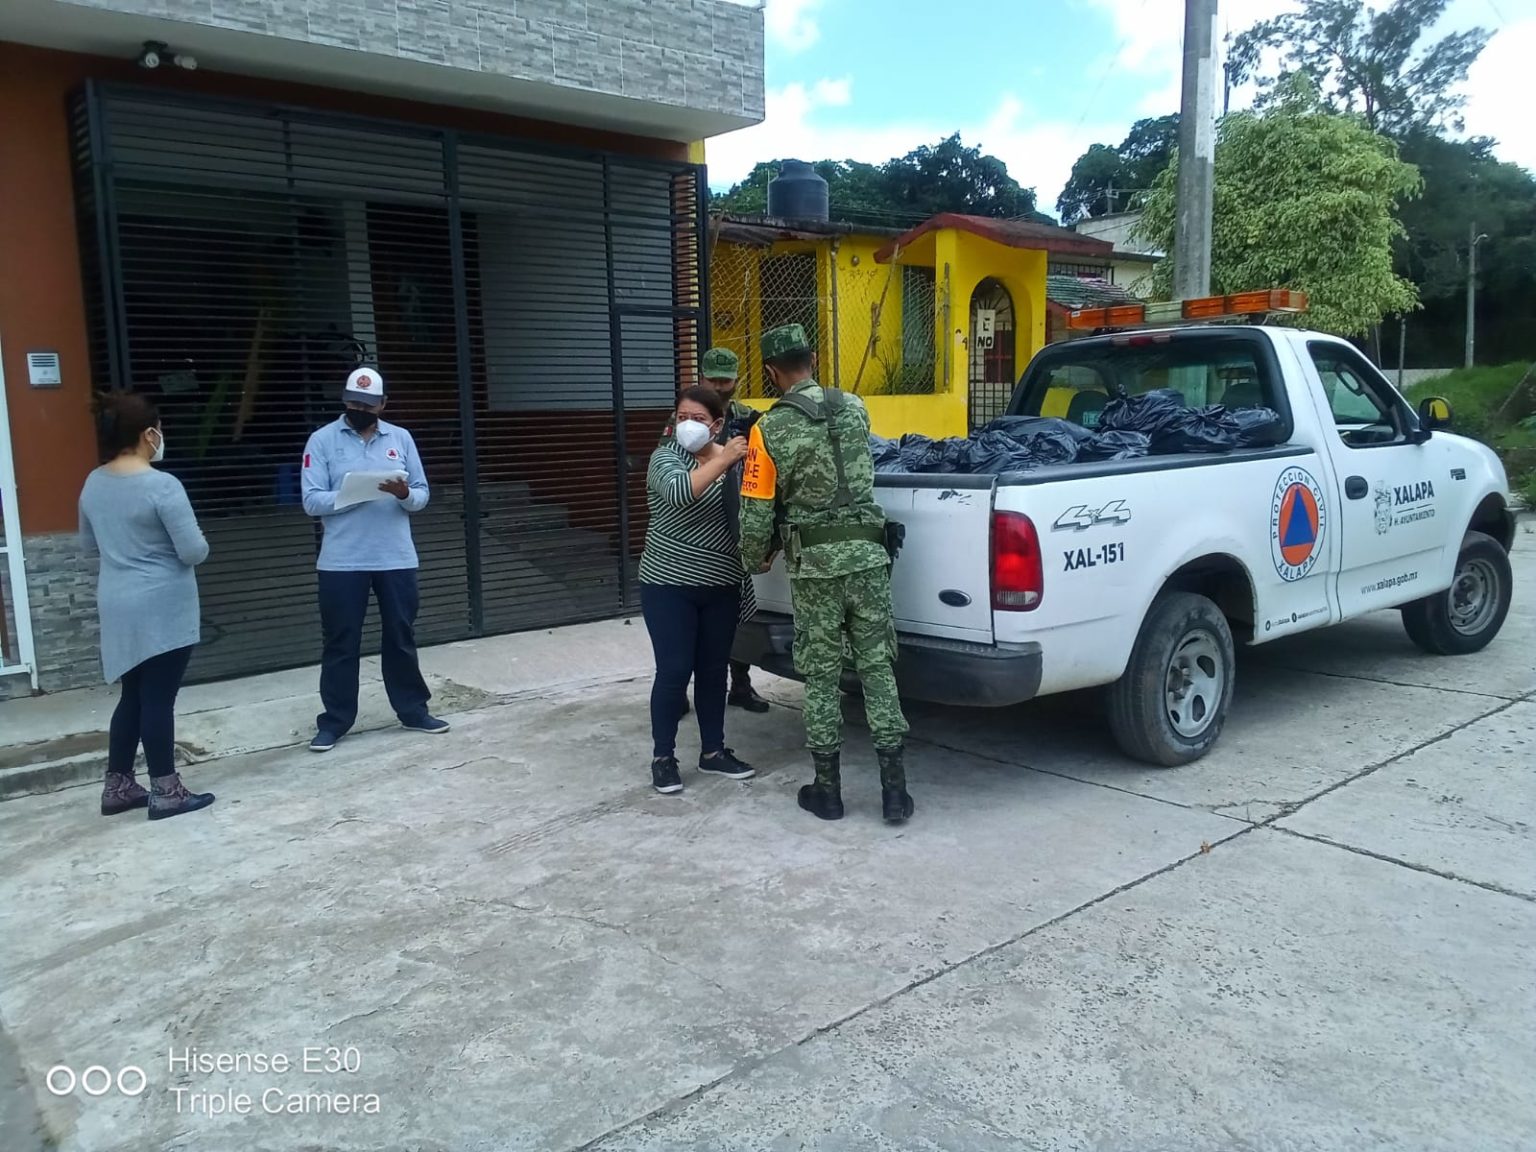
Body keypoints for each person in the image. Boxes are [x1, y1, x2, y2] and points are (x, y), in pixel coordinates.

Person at [737, 324, 913, 824]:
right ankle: (895, 792)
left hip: (815, 568)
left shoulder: (768, 428)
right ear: (812, 359)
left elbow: (756, 508)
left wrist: (755, 557)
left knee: (820, 675)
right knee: (877, 667)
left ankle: (828, 792)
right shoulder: (855, 406)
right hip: (869, 558)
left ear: (771, 371)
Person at [79, 392, 215, 821]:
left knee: (133, 695)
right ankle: (166, 791)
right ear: (148, 434)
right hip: (162, 605)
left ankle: (118, 786)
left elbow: (88, 545)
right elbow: (193, 551)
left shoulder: (93, 482)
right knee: (158, 698)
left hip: (117, 602)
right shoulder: (162, 485)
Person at [301, 367, 449, 752]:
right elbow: (311, 500)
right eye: (353, 402)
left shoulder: (401, 438)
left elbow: (422, 494)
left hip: (395, 557)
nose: (359, 409)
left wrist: (404, 495)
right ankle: (335, 722)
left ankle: (413, 710)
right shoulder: (321, 440)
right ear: (343, 399)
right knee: (341, 641)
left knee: (400, 636)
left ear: (382, 404)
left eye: (367, 405)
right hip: (342, 561)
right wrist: (353, 495)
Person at [639, 385, 757, 795]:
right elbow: (680, 493)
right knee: (674, 671)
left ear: (717, 424)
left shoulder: (736, 459)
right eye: (682, 417)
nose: (687, 425)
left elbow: (754, 510)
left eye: (698, 419)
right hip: (668, 584)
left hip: (721, 583)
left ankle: (713, 752)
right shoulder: (665, 457)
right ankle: (663, 758)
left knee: (713, 671)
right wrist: (724, 458)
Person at [661, 346, 772, 714]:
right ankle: (677, 689)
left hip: (734, 526)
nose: (721, 388)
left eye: (727, 381)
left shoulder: (747, 417)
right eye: (714, 381)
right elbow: (670, 474)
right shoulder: (686, 421)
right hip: (694, 526)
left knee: (734, 616)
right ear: (701, 378)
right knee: (685, 624)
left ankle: (739, 684)